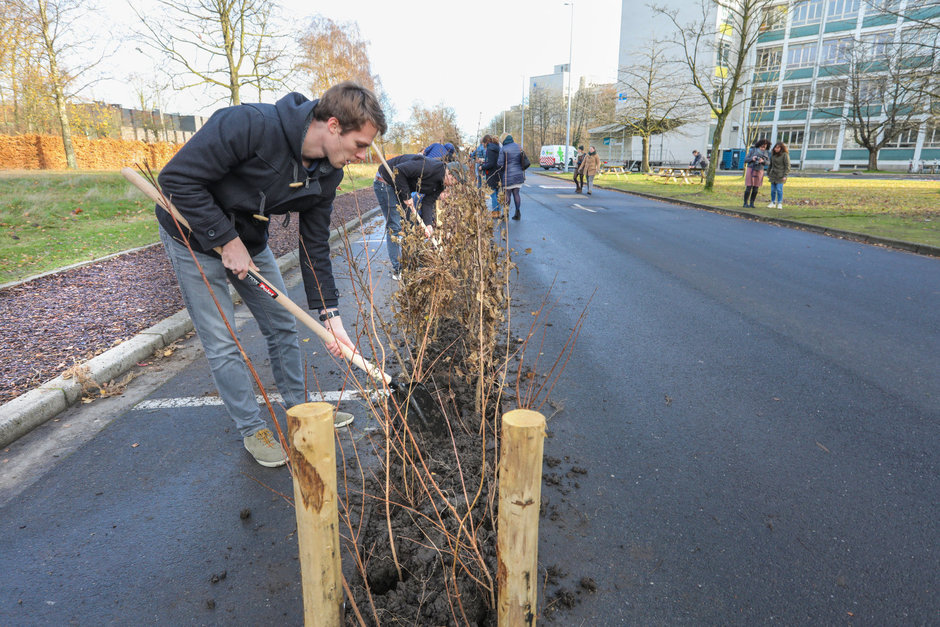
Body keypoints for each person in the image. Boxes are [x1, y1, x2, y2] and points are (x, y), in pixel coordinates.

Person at [157, 82, 387, 468]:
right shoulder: (250, 124)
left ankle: (300, 410)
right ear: (333, 125)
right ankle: (252, 428)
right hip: (192, 235)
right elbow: (176, 179)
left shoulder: (327, 173)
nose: (363, 156)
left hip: (249, 240)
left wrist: (331, 317)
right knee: (224, 340)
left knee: (282, 324)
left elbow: (314, 245)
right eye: (361, 144)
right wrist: (225, 239)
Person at [373, 154, 458, 278]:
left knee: (411, 223)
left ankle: (411, 263)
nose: (454, 185)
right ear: (450, 174)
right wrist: (407, 196)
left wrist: (428, 224)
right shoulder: (428, 167)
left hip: (400, 186)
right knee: (395, 227)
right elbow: (399, 171)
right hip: (386, 182)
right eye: (456, 181)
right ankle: (399, 269)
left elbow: (428, 203)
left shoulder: (440, 184)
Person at [497, 133, 525, 220]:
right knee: (516, 194)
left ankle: (506, 214)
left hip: (508, 175)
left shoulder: (503, 149)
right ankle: (518, 213)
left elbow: (500, 164)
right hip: (519, 174)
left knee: (507, 195)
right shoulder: (518, 146)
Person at [743, 138, 771, 208]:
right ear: (759, 145)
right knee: (749, 187)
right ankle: (745, 203)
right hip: (751, 169)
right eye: (762, 146)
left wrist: (763, 161)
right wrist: (752, 159)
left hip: (760, 170)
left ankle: (752, 203)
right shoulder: (753, 150)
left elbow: (768, 163)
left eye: (764, 147)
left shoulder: (766, 153)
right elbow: (745, 160)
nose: (763, 148)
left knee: (756, 188)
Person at [480, 134, 502, 215]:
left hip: (492, 174)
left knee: (493, 194)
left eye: (483, 143)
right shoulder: (497, 147)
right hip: (498, 173)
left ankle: (495, 212)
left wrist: (482, 167)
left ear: (486, 142)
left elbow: (491, 163)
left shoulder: (490, 149)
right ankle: (498, 211)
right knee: (496, 194)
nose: (483, 145)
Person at [766, 141, 791, 209]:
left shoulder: (785, 155)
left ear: (781, 148)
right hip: (773, 175)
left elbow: (787, 166)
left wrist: (785, 175)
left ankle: (780, 203)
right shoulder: (773, 155)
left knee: (779, 190)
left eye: (778, 148)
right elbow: (770, 165)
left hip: (781, 175)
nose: (776, 149)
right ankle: (773, 202)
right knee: (772, 190)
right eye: (775, 148)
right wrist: (768, 173)